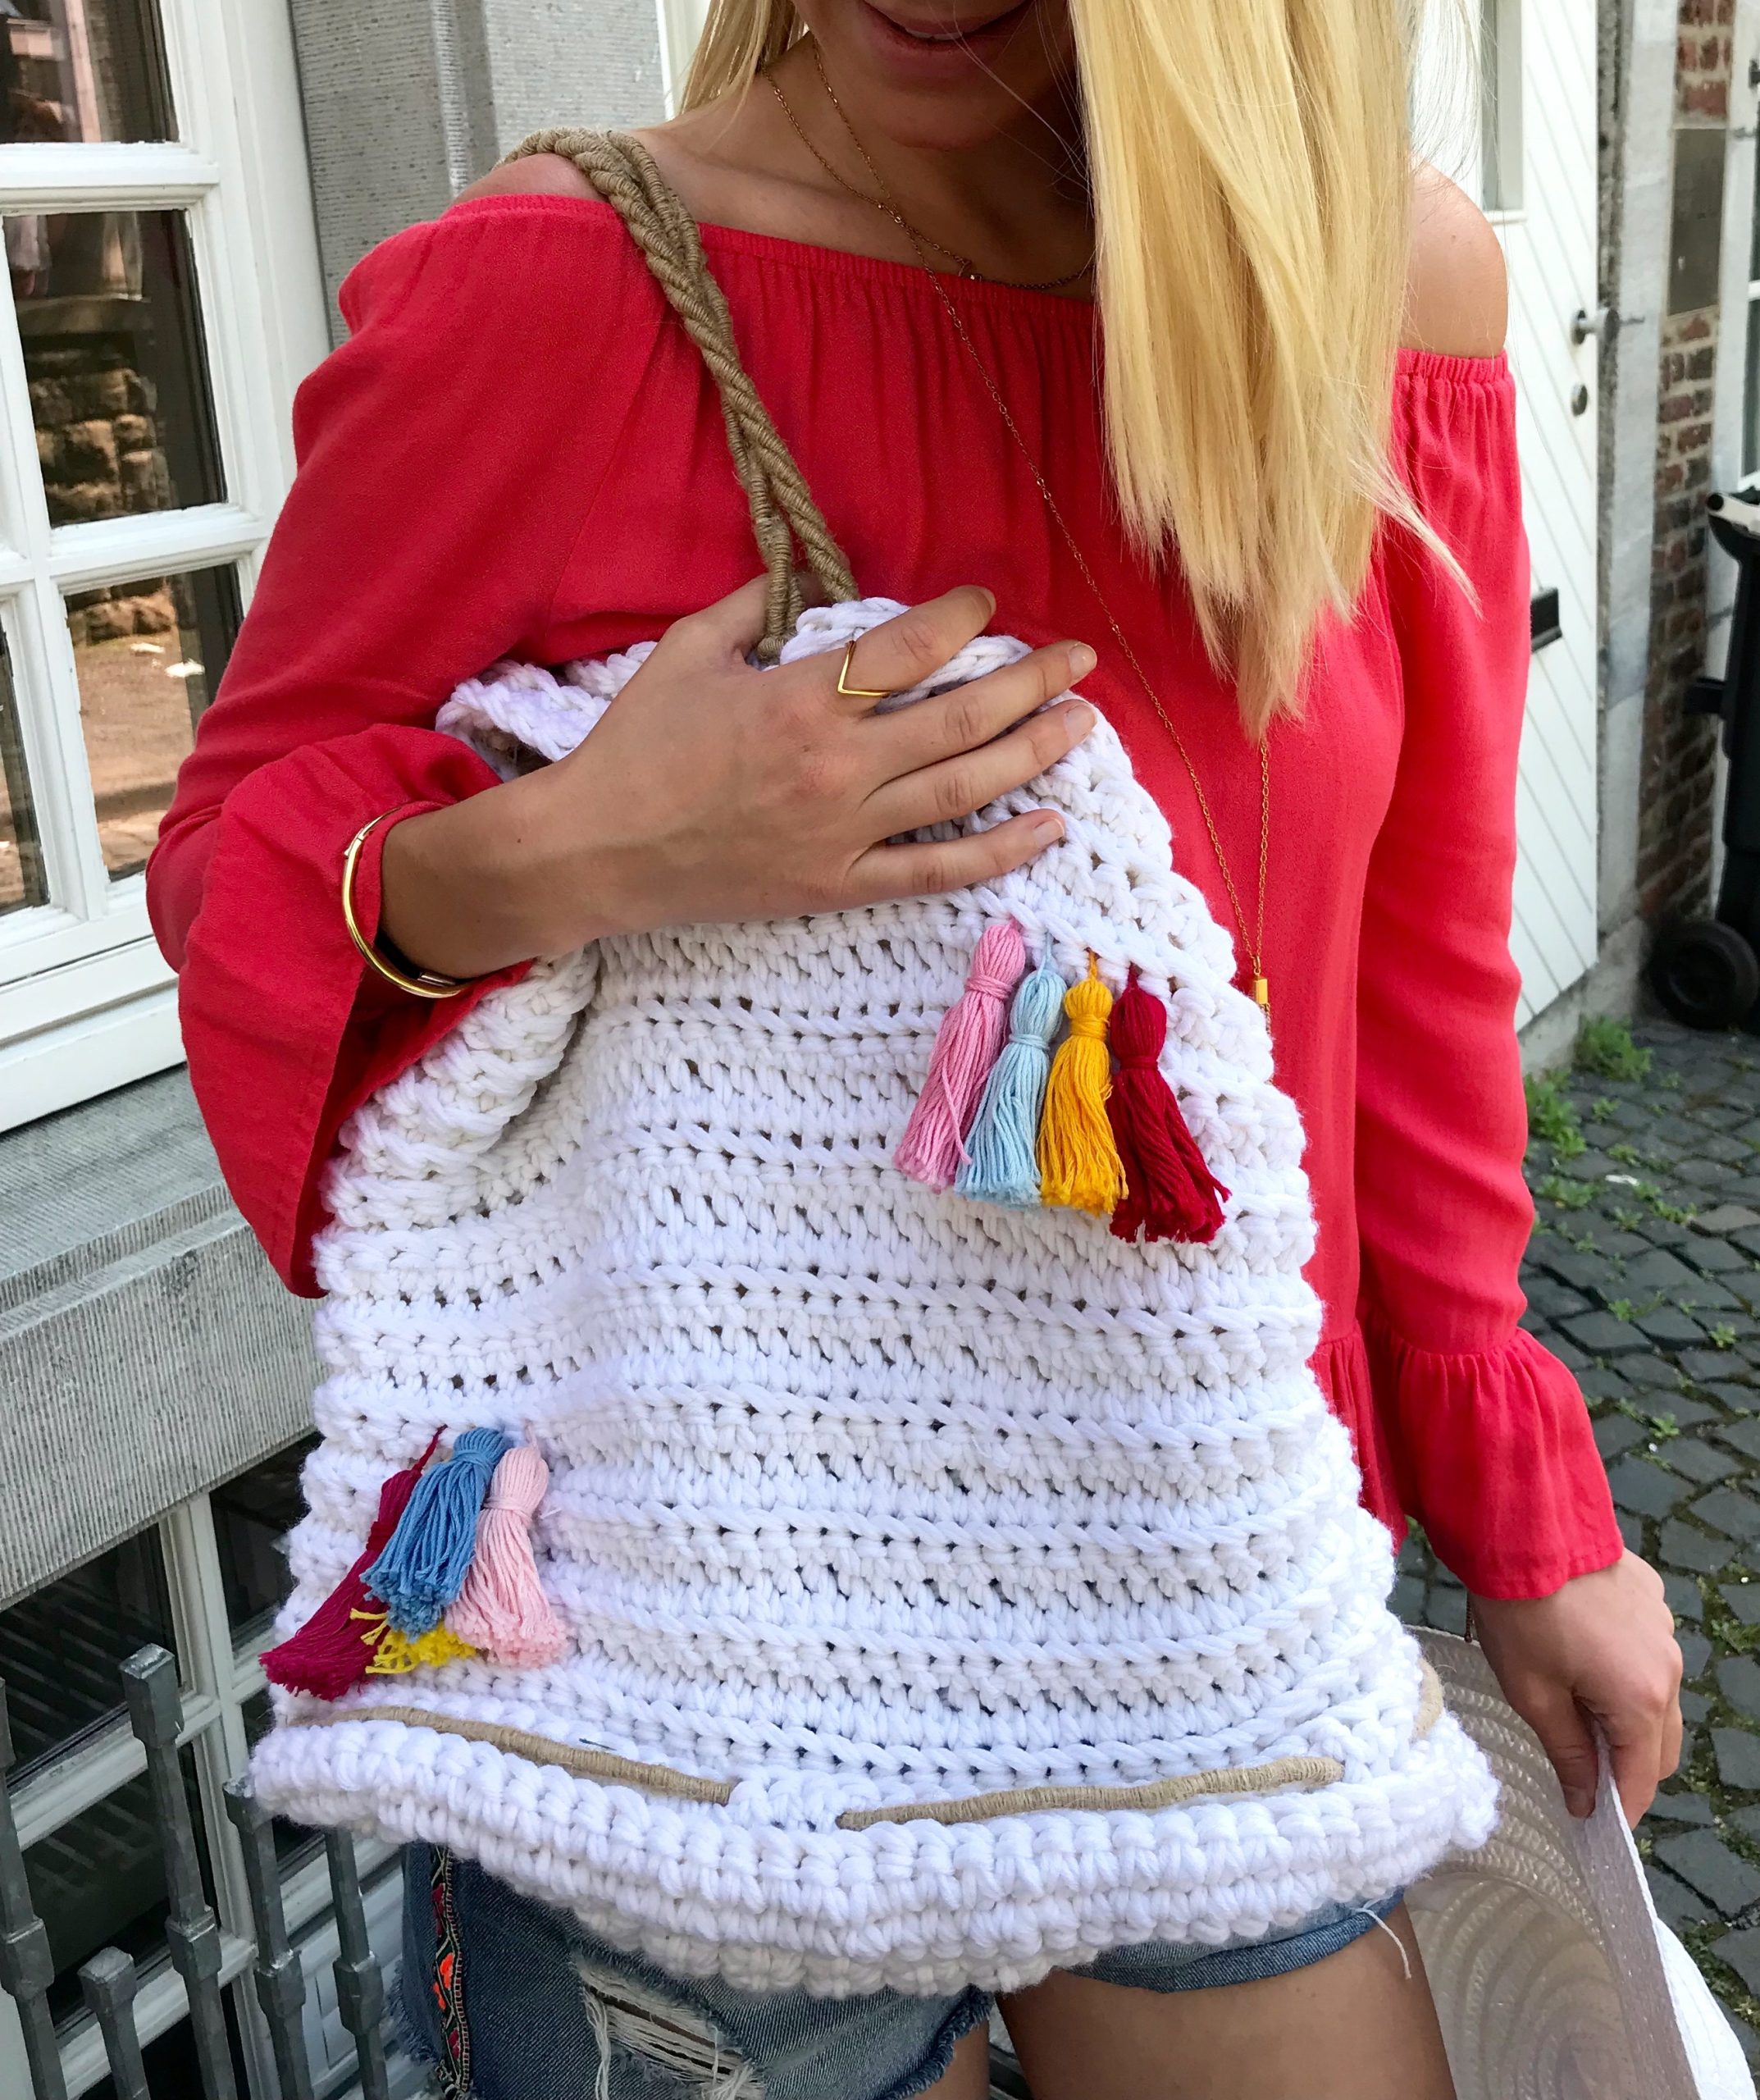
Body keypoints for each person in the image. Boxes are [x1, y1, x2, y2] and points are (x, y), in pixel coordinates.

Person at [148, 4, 1685, 2095]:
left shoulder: (1371, 293)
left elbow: (1412, 956)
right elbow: (230, 874)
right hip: (705, 1611)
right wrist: (592, 847)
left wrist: (1525, 1505)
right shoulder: (561, 285)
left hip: (1197, 1563)